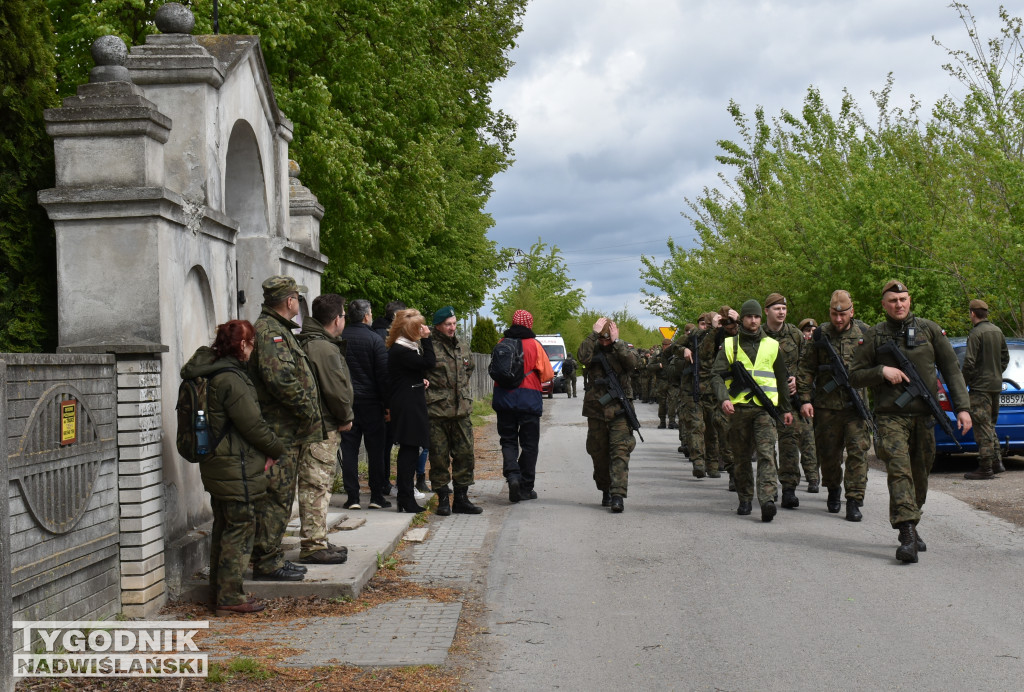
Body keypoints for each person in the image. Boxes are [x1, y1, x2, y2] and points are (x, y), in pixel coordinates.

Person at [849, 279, 972, 563]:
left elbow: (952, 371)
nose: (898, 305)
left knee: (920, 474)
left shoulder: (930, 330)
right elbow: (854, 375)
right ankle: (906, 534)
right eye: (892, 301)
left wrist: (963, 408)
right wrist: (881, 371)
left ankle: (912, 523)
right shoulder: (875, 336)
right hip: (891, 416)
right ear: (884, 305)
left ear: (910, 300)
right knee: (899, 470)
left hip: (925, 416)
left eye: (902, 299)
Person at [182, 320, 285, 613]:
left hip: (218, 464)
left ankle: (220, 590)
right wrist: (276, 449)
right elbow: (253, 424)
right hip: (236, 467)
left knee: (225, 527)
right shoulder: (231, 379)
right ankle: (231, 598)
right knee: (240, 528)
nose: (253, 349)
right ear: (242, 345)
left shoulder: (209, 372)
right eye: (252, 344)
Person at [249, 275, 324, 582]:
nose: (298, 303)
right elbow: (279, 380)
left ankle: (273, 556)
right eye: (296, 298)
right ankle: (266, 562)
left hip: (287, 431)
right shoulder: (270, 332)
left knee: (281, 497)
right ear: (289, 300)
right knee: (275, 498)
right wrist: (307, 410)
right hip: (278, 431)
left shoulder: (281, 331)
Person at [710, 299, 794, 522]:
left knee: (767, 454)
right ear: (742, 319)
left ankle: (767, 499)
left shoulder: (772, 345)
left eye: (757, 316)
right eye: (749, 316)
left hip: (765, 410)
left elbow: (781, 380)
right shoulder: (730, 345)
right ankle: (745, 498)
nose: (754, 320)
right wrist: (723, 399)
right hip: (737, 410)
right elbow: (716, 375)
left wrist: (786, 408)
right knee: (741, 457)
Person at [797, 290, 870, 521]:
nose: (838, 319)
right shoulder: (820, 335)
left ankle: (854, 499)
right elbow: (806, 369)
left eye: (843, 314)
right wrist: (805, 399)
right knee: (829, 455)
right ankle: (833, 489)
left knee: (858, 452)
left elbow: (877, 366)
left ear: (852, 312)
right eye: (834, 314)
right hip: (826, 408)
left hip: (855, 407)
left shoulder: (865, 333)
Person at [296, 294, 354, 564]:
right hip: (322, 427)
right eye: (343, 315)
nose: (344, 320)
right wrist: (346, 415)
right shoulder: (323, 348)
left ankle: (317, 538)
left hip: (318, 425)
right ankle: (313, 545)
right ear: (336, 320)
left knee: (319, 484)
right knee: (317, 485)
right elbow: (335, 388)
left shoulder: (315, 343)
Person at [491, 309, 554, 503]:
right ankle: (526, 487)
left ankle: (512, 477)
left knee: (508, 440)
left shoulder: (501, 343)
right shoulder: (534, 345)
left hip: (504, 400)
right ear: (530, 324)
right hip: (528, 401)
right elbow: (548, 375)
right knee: (529, 445)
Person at [426, 306, 483, 515]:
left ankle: (461, 498)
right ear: (438, 326)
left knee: (465, 455)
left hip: (461, 411)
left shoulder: (463, 346)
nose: (452, 328)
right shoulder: (428, 346)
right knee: (439, 458)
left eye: (454, 323)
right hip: (437, 412)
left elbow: (469, 369)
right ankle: (442, 498)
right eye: (448, 324)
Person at [763, 293, 818, 508]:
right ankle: (768, 487)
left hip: (789, 400)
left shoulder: (795, 334)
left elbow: (806, 364)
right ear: (766, 311)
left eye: (784, 309)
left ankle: (788, 489)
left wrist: (797, 379)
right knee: (766, 446)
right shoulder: (758, 335)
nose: (781, 312)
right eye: (777, 308)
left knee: (789, 444)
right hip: (764, 398)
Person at [578, 317, 638, 512]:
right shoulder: (592, 347)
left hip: (619, 411)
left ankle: (618, 495)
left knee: (620, 452)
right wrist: (592, 334)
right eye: (601, 339)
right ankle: (605, 489)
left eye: (607, 339)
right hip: (596, 411)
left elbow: (632, 364)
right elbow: (582, 357)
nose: (604, 343)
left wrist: (617, 342)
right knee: (599, 453)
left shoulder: (622, 348)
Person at [339, 299, 391, 510]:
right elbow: (383, 375)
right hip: (371, 402)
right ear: (366, 316)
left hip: (347, 403)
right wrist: (387, 405)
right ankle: (376, 495)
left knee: (349, 449)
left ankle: (352, 497)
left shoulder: (339, 338)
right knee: (375, 450)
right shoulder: (375, 340)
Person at [386, 309, 437, 513]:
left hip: (410, 398)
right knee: (409, 450)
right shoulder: (401, 350)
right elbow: (429, 363)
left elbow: (413, 371)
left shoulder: (406, 348)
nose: (423, 330)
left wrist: (418, 380)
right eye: (419, 327)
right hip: (407, 404)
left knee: (411, 449)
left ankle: (405, 497)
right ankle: (405, 497)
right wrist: (428, 340)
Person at [962, 299, 1010, 480]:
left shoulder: (976, 334)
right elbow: (1005, 357)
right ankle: (996, 462)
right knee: (989, 425)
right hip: (996, 386)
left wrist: (963, 382)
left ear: (972, 313)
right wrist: (997, 372)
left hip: (980, 388)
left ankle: (985, 467)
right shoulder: (997, 331)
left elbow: (969, 362)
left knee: (982, 427)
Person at [699, 307, 739, 486]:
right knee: (723, 432)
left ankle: (740, 471)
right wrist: (715, 329)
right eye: (726, 323)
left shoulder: (743, 331)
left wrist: (740, 322)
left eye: (731, 323)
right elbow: (704, 354)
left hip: (743, 391)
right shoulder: (716, 335)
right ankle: (733, 472)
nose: (729, 327)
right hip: (721, 390)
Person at [372, 299, 407, 496]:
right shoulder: (387, 337)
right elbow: (386, 372)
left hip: (376, 396)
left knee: (381, 446)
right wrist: (388, 404)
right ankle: (383, 483)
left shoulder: (376, 333)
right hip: (387, 397)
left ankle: (382, 482)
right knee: (385, 445)